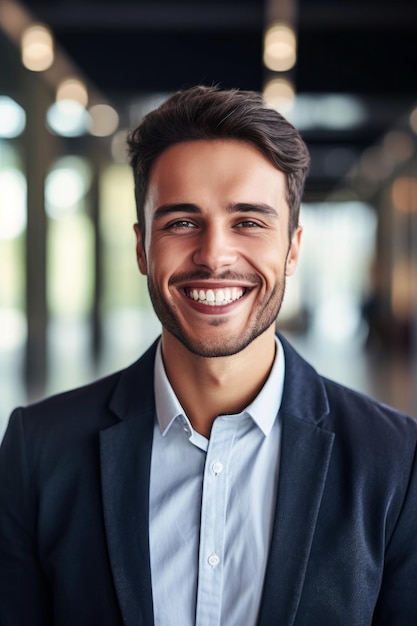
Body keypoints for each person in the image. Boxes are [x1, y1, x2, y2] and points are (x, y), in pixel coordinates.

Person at [0, 85, 416, 626]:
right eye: (181, 222)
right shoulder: (40, 451)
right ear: (142, 248)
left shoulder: (395, 462)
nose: (214, 254)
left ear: (292, 247)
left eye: (248, 221)